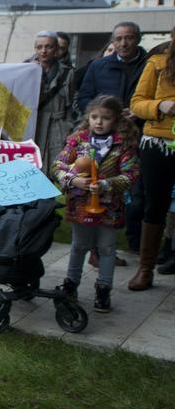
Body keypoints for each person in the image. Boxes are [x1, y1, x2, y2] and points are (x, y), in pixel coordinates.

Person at [52, 95, 139, 313]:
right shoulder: (78, 140)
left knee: (106, 248)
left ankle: (103, 289)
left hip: (109, 206)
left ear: (116, 120)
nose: (99, 122)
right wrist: (73, 180)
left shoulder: (123, 143)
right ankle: (71, 284)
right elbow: (57, 165)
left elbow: (131, 175)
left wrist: (106, 184)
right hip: (80, 203)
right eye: (94, 117)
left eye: (105, 118)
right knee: (79, 245)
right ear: (88, 118)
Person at [77, 21, 150, 257]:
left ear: (137, 38)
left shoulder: (149, 65)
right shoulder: (99, 66)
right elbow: (84, 97)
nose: (123, 43)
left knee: (136, 193)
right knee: (99, 188)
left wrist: (137, 112)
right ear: (112, 41)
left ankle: (135, 245)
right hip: (102, 139)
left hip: (138, 135)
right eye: (118, 39)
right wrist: (100, 115)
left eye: (128, 38)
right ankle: (98, 250)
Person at [128, 31, 175, 291]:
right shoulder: (157, 62)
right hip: (158, 142)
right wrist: (160, 106)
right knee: (154, 204)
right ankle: (146, 269)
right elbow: (136, 104)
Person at [33, 31, 78, 168]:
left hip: (58, 125)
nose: (44, 51)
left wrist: (70, 127)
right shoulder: (26, 69)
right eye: (39, 47)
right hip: (35, 124)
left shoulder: (68, 73)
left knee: (57, 166)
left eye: (48, 47)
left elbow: (73, 104)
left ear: (57, 49)